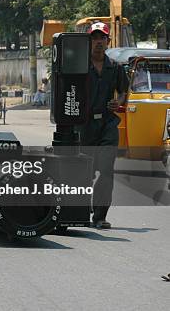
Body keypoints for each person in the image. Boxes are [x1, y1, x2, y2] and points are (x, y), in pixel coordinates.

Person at [76, 22, 128, 229]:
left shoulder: (115, 67)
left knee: (106, 171)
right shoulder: (78, 66)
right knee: (83, 172)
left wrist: (119, 102)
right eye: (94, 38)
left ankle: (99, 216)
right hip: (83, 126)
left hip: (107, 125)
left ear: (108, 41)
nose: (98, 41)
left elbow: (123, 91)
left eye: (102, 38)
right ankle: (79, 210)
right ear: (89, 41)